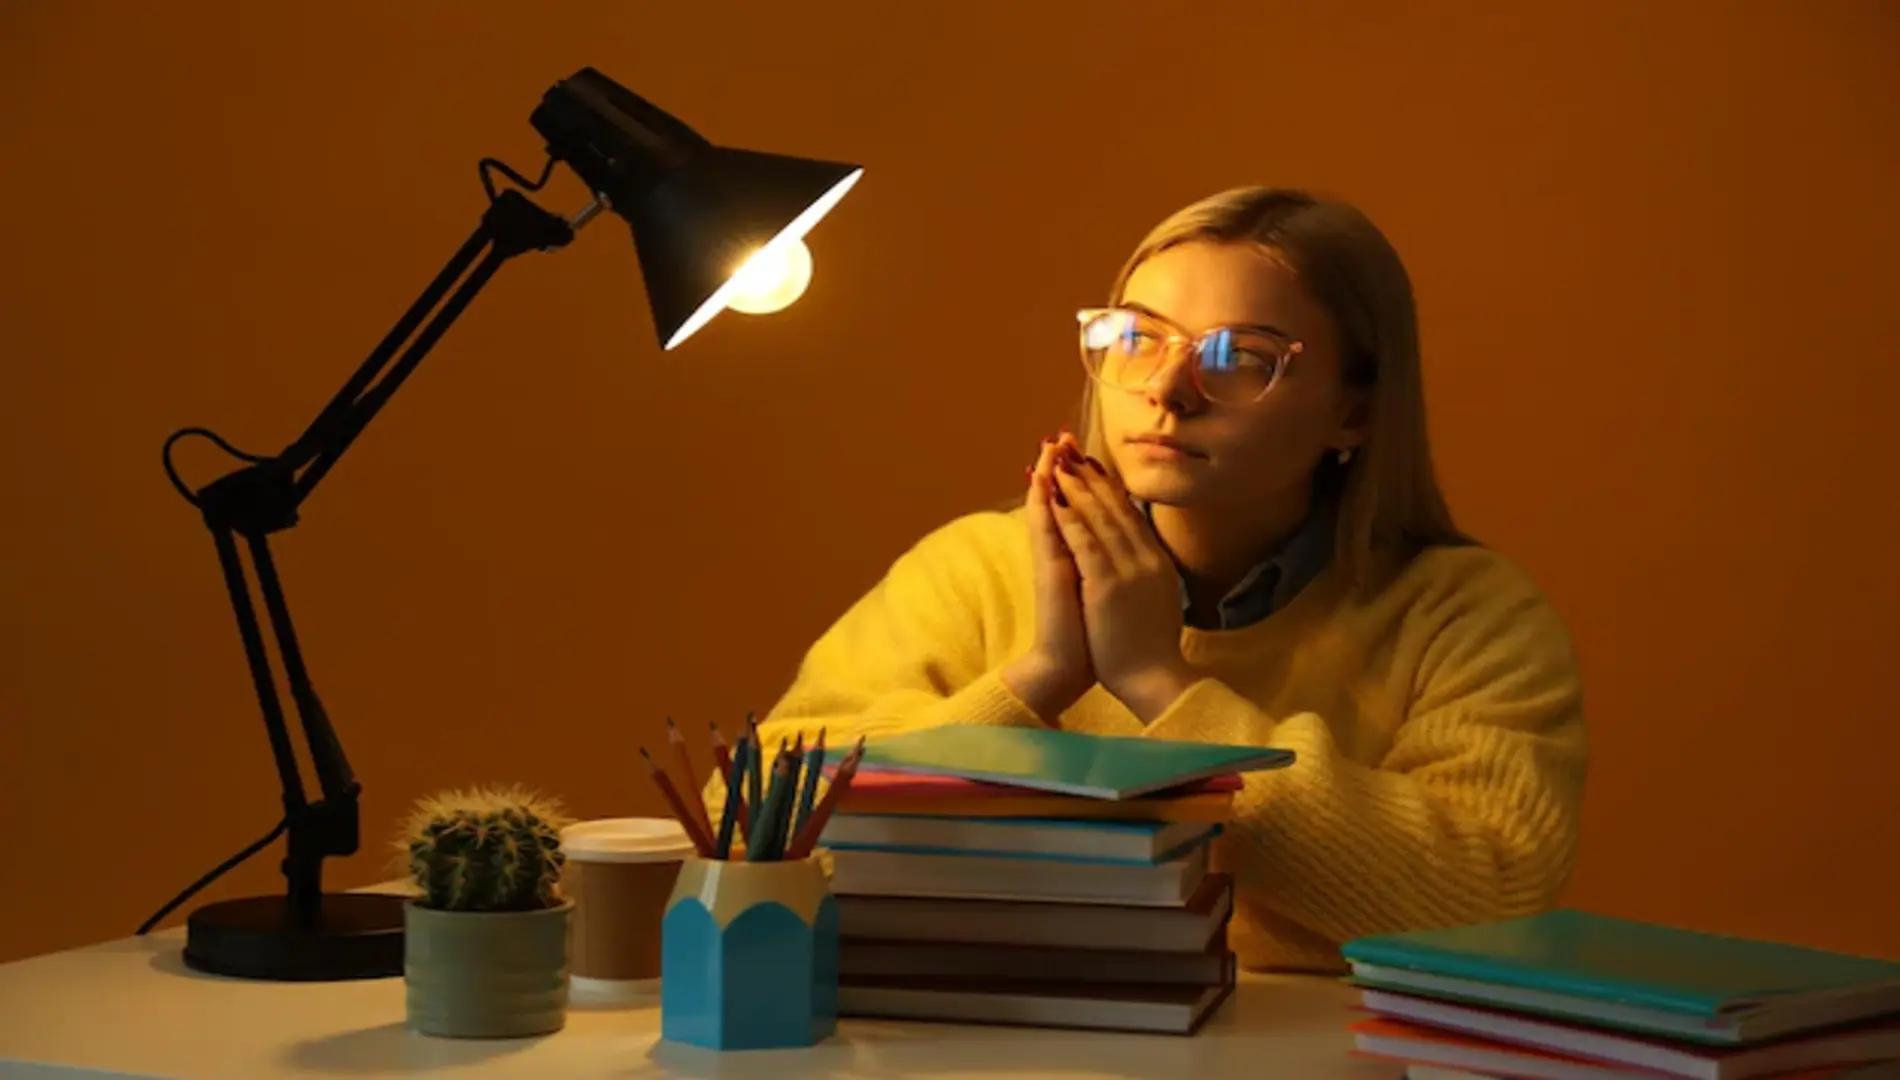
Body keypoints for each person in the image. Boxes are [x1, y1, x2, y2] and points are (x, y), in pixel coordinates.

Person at [705, 187, 1587, 973]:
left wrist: (1162, 685)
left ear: (1354, 410)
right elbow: (743, 826)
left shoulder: (1467, 615)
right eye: (1134, 338)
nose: (1168, 389)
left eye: (1241, 356)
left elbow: (1484, 910)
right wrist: (1036, 680)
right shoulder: (973, 568)